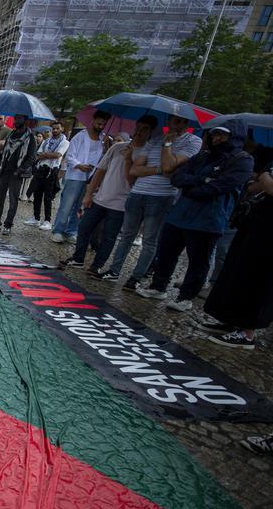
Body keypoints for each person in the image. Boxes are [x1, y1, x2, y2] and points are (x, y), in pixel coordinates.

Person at [136, 121, 253, 312]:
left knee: (198, 261)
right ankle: (158, 286)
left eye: (222, 136)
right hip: (180, 214)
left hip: (208, 219)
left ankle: (186, 296)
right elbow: (178, 177)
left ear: (234, 137)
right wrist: (200, 180)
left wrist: (195, 186)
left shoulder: (242, 160)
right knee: (166, 253)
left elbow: (221, 186)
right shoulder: (204, 155)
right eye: (215, 135)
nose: (217, 139)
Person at [100, 115, 202, 289]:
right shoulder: (155, 139)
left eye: (179, 122)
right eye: (172, 121)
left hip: (161, 195)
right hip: (138, 192)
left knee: (149, 239)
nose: (175, 125)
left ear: (186, 124)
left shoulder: (193, 142)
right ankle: (114, 270)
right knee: (126, 236)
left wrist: (168, 146)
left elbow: (170, 166)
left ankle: (136, 277)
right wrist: (159, 169)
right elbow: (135, 169)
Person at [62, 117, 155, 274]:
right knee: (84, 227)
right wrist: (89, 194)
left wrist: (128, 160)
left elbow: (133, 180)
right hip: (101, 197)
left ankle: (96, 266)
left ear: (151, 132)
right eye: (138, 127)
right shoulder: (117, 147)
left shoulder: (147, 153)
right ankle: (78, 258)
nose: (139, 131)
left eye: (144, 129)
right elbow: (100, 170)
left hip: (121, 203)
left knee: (108, 236)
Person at [200, 159, 272, 352]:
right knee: (239, 272)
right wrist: (261, 180)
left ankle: (247, 333)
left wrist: (264, 178)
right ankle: (232, 320)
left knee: (257, 280)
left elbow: (268, 185)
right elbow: (255, 186)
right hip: (257, 226)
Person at [52, 111, 109, 243]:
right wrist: (79, 165)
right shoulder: (80, 136)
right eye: (99, 123)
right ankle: (58, 230)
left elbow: (104, 159)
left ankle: (71, 231)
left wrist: (106, 147)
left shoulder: (104, 139)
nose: (100, 126)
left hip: (90, 177)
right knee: (67, 205)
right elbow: (70, 156)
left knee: (80, 206)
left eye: (103, 125)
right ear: (93, 121)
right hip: (76, 175)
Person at [0, 114, 36, 236]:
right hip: (4, 170)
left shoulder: (30, 137)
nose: (16, 121)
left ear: (25, 121)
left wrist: (20, 170)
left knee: (13, 201)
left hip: (16, 174)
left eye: (19, 119)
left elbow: (31, 158)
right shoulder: (11, 134)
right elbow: (6, 152)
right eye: (16, 118)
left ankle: (8, 225)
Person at [25, 120, 69, 230]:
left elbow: (58, 155)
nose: (55, 130)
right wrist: (47, 155)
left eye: (57, 128)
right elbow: (38, 155)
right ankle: (36, 218)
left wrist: (45, 155)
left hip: (52, 170)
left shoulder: (65, 142)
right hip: (41, 169)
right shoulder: (46, 141)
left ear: (62, 129)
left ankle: (47, 221)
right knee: (37, 194)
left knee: (48, 197)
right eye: (53, 128)